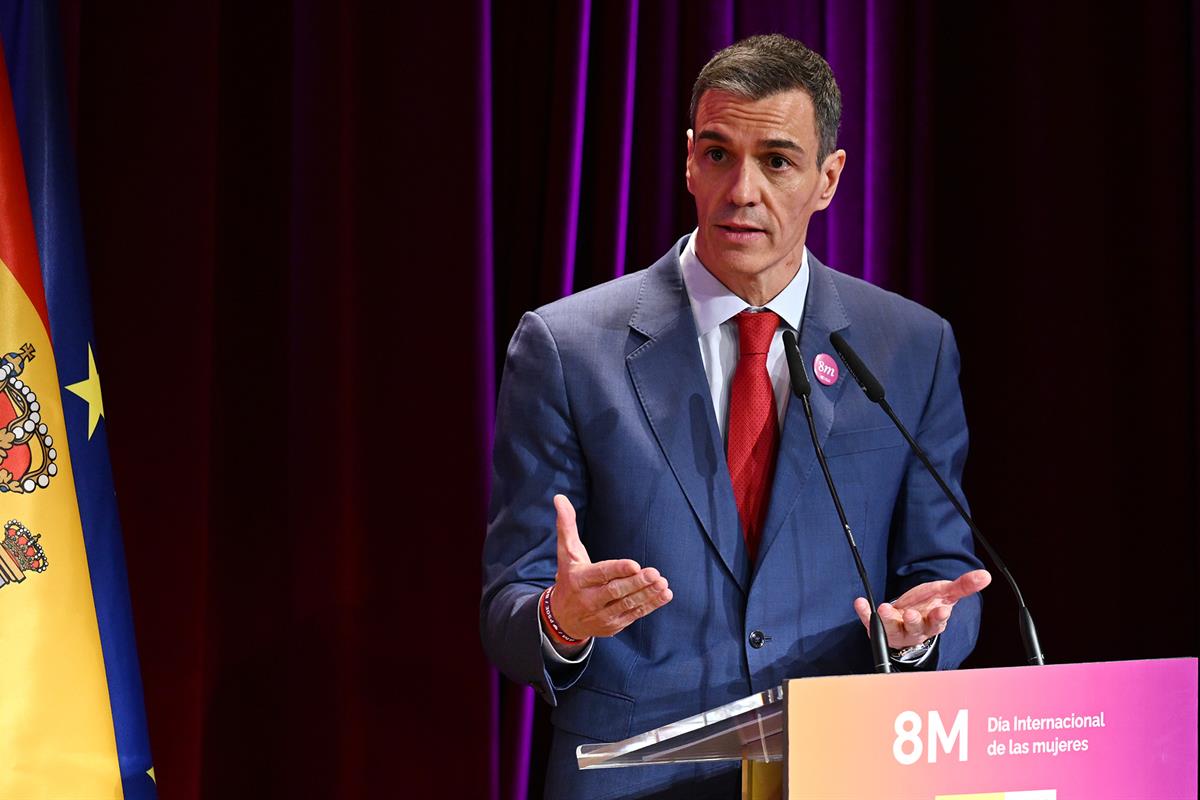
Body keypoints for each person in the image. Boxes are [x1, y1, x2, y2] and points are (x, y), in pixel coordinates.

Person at [481, 34, 990, 799]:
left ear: (828, 178)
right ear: (689, 159)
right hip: (630, 780)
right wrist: (561, 619)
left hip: (839, 770)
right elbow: (509, 607)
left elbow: (943, 574)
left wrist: (919, 639)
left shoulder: (908, 348)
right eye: (718, 154)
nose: (741, 189)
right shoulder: (567, 347)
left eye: (777, 161)